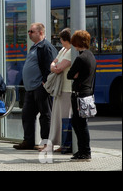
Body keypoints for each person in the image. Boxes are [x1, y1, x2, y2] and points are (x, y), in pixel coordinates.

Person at [14, 22, 58, 150]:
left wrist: (45, 82)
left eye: (31, 31)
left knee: (45, 116)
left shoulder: (45, 47)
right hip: (31, 89)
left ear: (40, 33)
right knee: (27, 115)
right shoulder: (34, 47)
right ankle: (28, 141)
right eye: (28, 31)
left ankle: (46, 143)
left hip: (40, 88)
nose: (29, 33)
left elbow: (50, 66)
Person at [40, 28, 72, 152]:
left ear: (64, 40)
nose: (61, 43)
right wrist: (54, 66)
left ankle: (64, 143)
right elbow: (54, 64)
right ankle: (57, 143)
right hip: (60, 88)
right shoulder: (63, 50)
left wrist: (54, 67)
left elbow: (58, 67)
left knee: (64, 117)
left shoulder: (70, 52)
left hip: (67, 89)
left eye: (61, 40)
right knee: (56, 116)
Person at [67, 30, 96, 161]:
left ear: (77, 43)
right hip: (87, 93)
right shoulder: (91, 56)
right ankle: (83, 151)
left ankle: (85, 152)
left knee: (80, 124)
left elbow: (69, 75)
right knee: (78, 122)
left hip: (78, 94)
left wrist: (75, 74)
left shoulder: (80, 58)